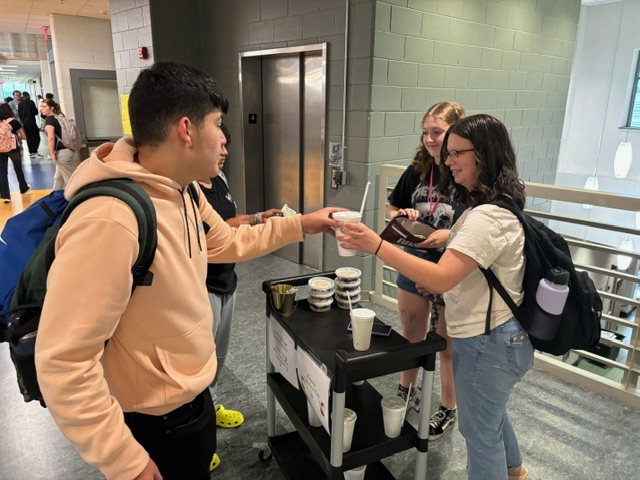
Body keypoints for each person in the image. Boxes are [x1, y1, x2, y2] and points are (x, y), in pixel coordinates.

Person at [34, 61, 343, 480]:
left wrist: (304, 223)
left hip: (190, 401)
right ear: (186, 129)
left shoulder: (183, 188)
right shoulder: (109, 220)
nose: (223, 141)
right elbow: (64, 362)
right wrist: (124, 461)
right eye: (218, 125)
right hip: (149, 423)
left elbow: (227, 243)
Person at [338, 114, 532, 480]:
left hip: (488, 341)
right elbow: (465, 273)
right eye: (448, 153)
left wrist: (377, 244)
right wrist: (444, 282)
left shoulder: (487, 217)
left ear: (485, 154)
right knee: (491, 414)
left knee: (478, 432)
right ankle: (515, 471)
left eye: (457, 152)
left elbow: (444, 276)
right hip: (497, 335)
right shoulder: (487, 206)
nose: (448, 160)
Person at [198, 124, 281, 472]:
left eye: (226, 146)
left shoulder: (219, 180)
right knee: (197, 365)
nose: (225, 152)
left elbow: (226, 223)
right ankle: (198, 441)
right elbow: (208, 241)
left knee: (217, 357)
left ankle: (211, 405)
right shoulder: (185, 190)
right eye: (219, 145)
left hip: (226, 282)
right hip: (200, 288)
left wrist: (259, 218)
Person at [386, 101, 466, 441]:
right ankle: (408, 390)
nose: (430, 140)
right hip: (414, 259)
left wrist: (450, 233)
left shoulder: (465, 172)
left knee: (445, 344)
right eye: (426, 132)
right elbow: (392, 207)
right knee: (411, 334)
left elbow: (478, 222)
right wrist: (403, 214)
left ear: (455, 134)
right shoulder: (417, 170)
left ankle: (449, 406)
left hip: (450, 266)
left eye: (438, 132)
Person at [40, 98, 80, 190]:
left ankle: (79, 199)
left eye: (44, 106)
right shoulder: (61, 117)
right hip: (71, 150)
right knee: (58, 178)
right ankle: (53, 196)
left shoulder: (50, 119)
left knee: (71, 181)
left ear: (52, 108)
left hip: (62, 154)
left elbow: (51, 138)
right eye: (41, 107)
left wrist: (51, 153)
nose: (42, 109)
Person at [0, 103, 30, 203]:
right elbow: (24, 137)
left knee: (2, 172)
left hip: (0, 149)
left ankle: (5, 195)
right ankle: (23, 187)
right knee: (18, 169)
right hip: (13, 149)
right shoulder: (13, 121)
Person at [18, 92, 41, 157]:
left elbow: (19, 114)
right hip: (31, 122)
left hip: (24, 123)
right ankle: (35, 150)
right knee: (36, 136)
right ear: (28, 96)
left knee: (28, 137)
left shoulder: (20, 104)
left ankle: (31, 151)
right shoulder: (31, 102)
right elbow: (35, 112)